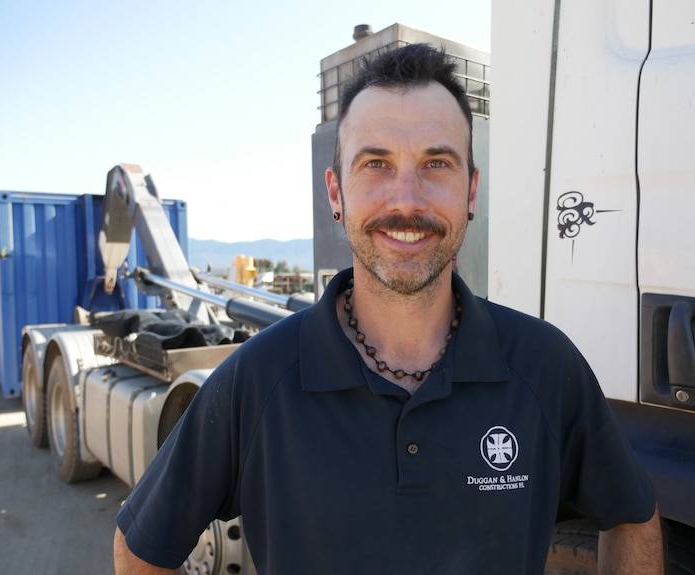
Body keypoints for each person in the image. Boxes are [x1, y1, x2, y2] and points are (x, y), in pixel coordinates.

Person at [114, 43, 663, 574]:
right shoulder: (257, 383)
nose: (407, 199)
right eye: (376, 163)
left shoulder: (545, 368)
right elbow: (141, 545)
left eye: (436, 164)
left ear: (471, 192)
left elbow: (633, 517)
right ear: (336, 193)